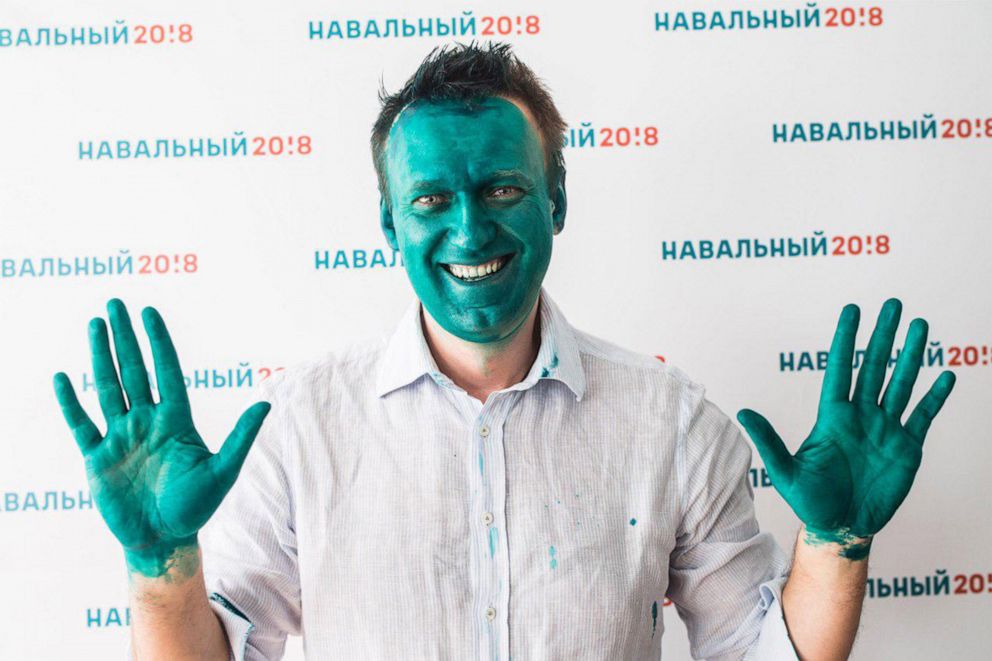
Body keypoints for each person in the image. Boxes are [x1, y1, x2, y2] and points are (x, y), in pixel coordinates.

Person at [53, 42, 956, 660]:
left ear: (556, 200)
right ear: (388, 224)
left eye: (501, 186)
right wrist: (161, 564)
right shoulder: (302, 427)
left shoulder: (671, 420)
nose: (469, 226)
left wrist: (835, 543)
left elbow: (755, 652)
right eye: (431, 201)